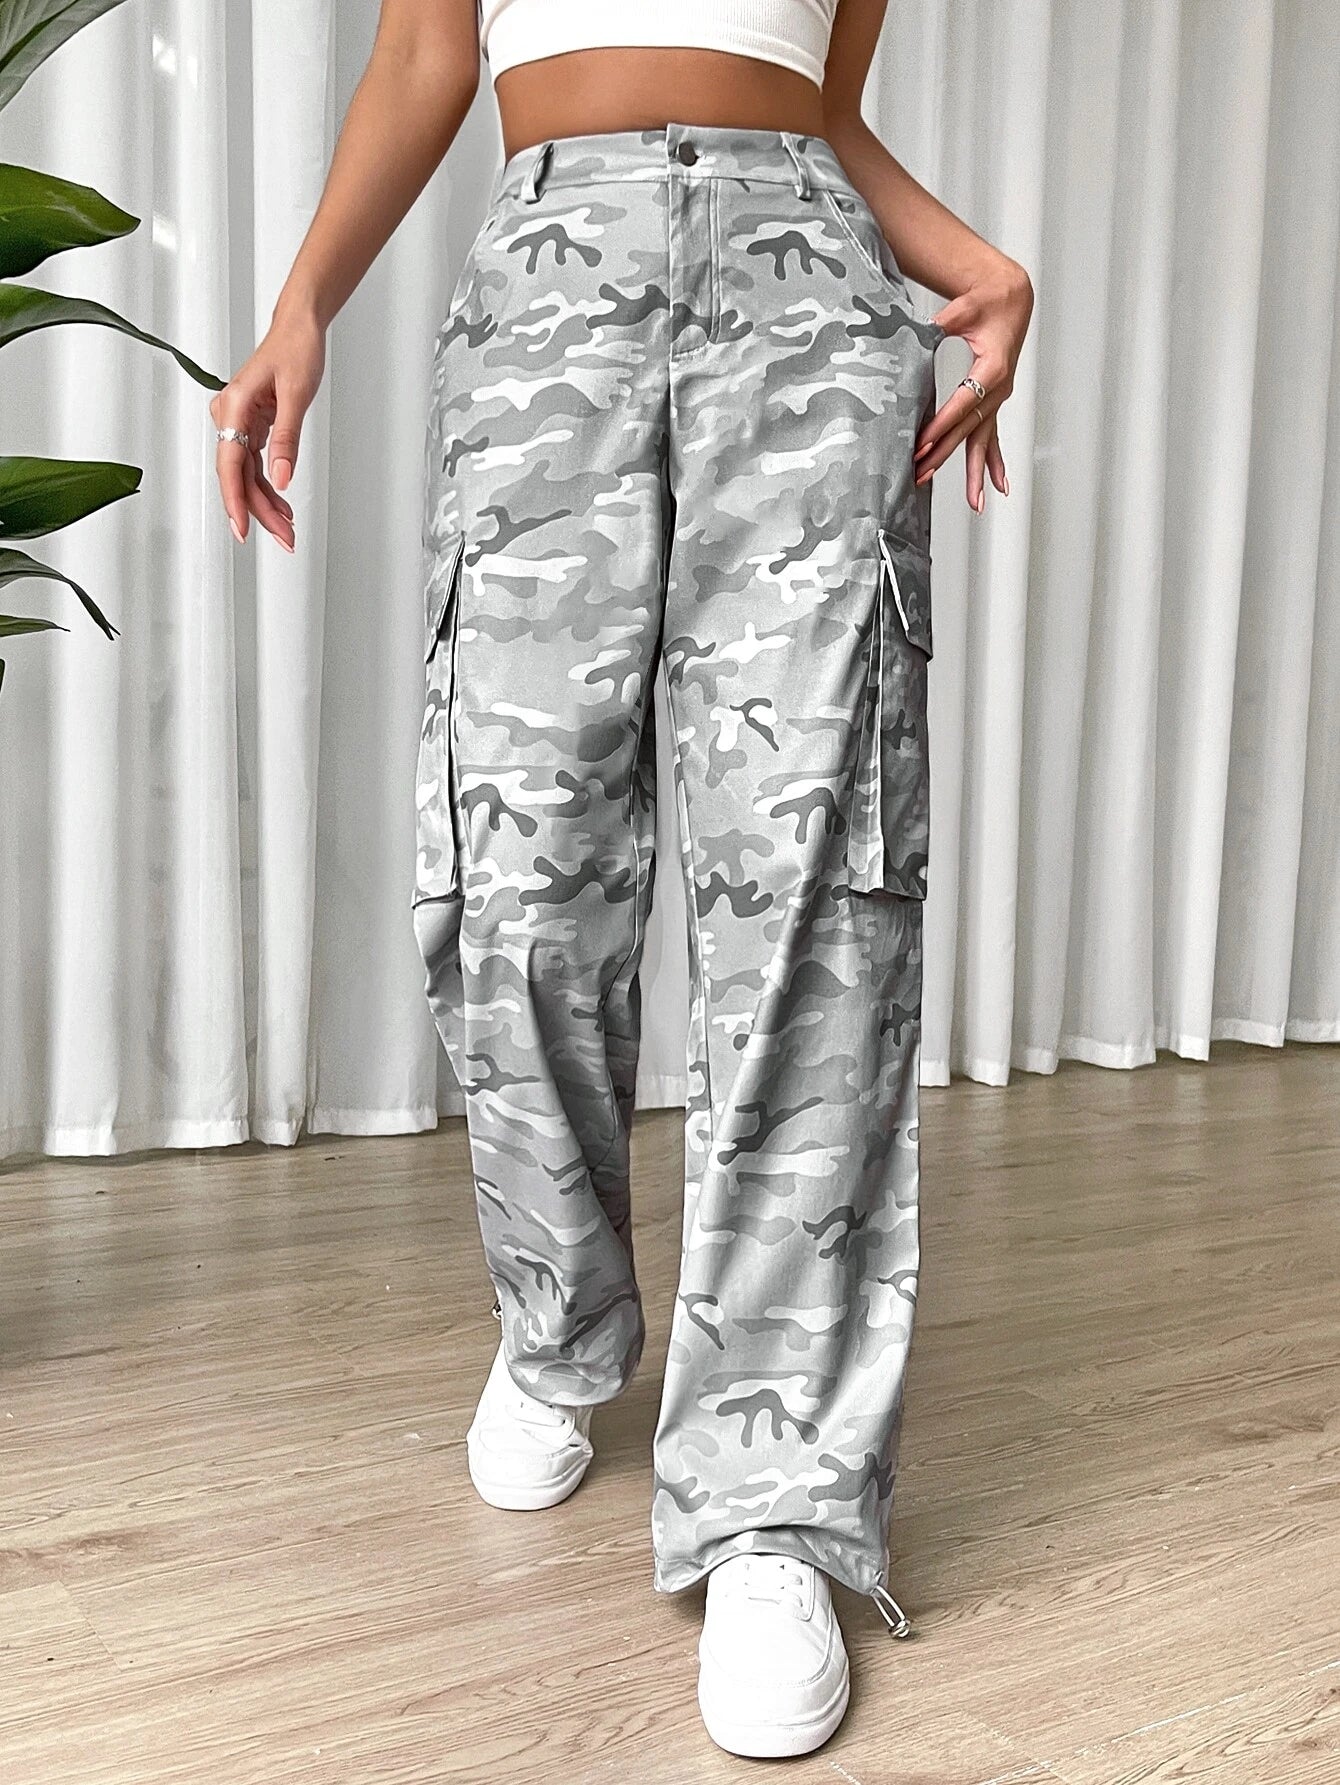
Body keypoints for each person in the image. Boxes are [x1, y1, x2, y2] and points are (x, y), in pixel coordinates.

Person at [211, 0, 1032, 1759]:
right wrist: (304, 303)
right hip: (549, 282)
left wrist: (970, 262)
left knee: (813, 888)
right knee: (516, 870)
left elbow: (819, 106)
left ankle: (775, 1498)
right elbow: (425, 58)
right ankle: (562, 1316)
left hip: (808, 300)